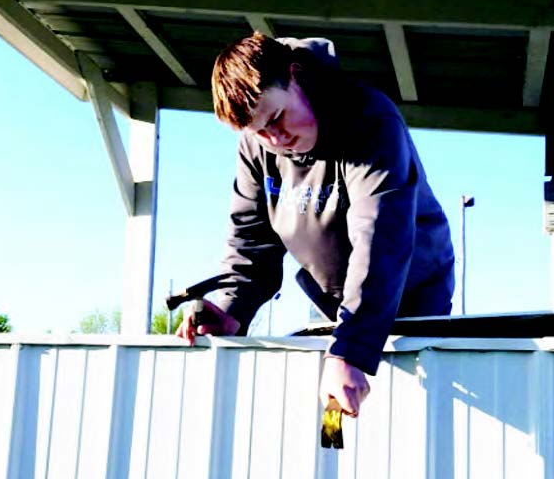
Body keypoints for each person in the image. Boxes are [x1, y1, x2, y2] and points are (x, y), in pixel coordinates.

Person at [177, 33, 455, 417]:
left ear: (296, 77)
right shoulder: (259, 147)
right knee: (343, 410)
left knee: (410, 413)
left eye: (277, 117)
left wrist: (351, 349)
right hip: (340, 303)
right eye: (259, 131)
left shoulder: (369, 119)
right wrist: (229, 309)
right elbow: (251, 248)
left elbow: (380, 241)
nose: (277, 138)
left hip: (415, 295)